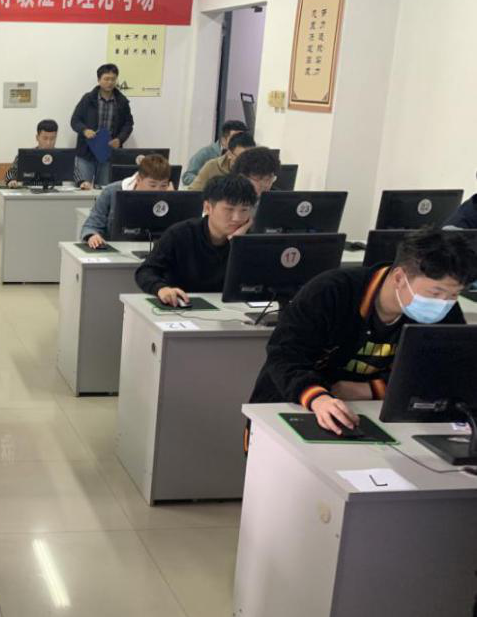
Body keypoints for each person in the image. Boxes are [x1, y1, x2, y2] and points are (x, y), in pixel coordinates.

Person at [250, 228, 477, 435]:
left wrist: (370, 389)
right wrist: (318, 397)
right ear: (399, 278)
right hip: (296, 401)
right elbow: (284, 356)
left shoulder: (446, 311)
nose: (443, 303)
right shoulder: (331, 291)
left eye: (454, 295)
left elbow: (444, 372)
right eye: (435, 293)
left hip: (377, 413)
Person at [135, 173, 258, 307]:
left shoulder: (250, 241)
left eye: (244, 210)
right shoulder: (180, 234)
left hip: (230, 310)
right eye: (229, 209)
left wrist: (238, 244)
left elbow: (255, 284)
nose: (237, 218)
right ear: (208, 207)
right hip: (181, 306)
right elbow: (145, 271)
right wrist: (161, 288)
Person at [80, 153, 174, 248]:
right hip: (116, 251)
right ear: (138, 179)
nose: (158, 190)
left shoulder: (170, 197)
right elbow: (91, 226)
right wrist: (92, 236)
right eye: (152, 185)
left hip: (155, 251)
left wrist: (172, 200)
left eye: (163, 185)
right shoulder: (111, 191)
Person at [69, 63, 135, 187]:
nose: (110, 82)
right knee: (83, 187)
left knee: (105, 190)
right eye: (106, 79)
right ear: (99, 80)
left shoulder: (121, 101)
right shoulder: (88, 99)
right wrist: (84, 130)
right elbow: (75, 120)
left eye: (113, 79)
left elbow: (128, 123)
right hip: (86, 152)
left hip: (109, 153)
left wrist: (120, 139)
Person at [3, 119, 84, 188]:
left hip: (55, 194)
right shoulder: (27, 155)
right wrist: (11, 180)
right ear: (37, 137)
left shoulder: (61, 156)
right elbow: (11, 172)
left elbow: (74, 171)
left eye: (52, 138)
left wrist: (81, 182)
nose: (48, 142)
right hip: (30, 194)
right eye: (45, 138)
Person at [182, 120, 247, 187]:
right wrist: (209, 182)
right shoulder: (205, 153)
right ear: (223, 140)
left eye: (243, 138)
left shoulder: (247, 155)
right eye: (234, 139)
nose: (239, 142)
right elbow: (187, 177)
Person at [188, 131, 257, 192]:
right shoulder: (212, 166)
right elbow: (193, 194)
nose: (246, 161)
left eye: (249, 157)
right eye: (241, 157)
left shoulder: (256, 170)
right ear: (229, 154)